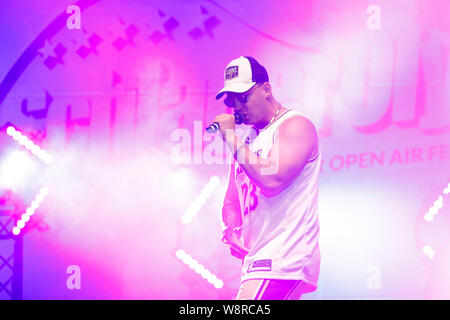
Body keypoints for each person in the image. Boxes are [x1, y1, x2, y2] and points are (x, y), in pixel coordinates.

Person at [212, 56, 321, 300]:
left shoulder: (295, 125)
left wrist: (230, 136)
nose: (237, 106)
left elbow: (272, 181)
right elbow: (231, 201)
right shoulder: (247, 141)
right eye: (231, 100)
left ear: (266, 90)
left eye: (243, 97)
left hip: (284, 256)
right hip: (257, 260)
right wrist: (230, 227)